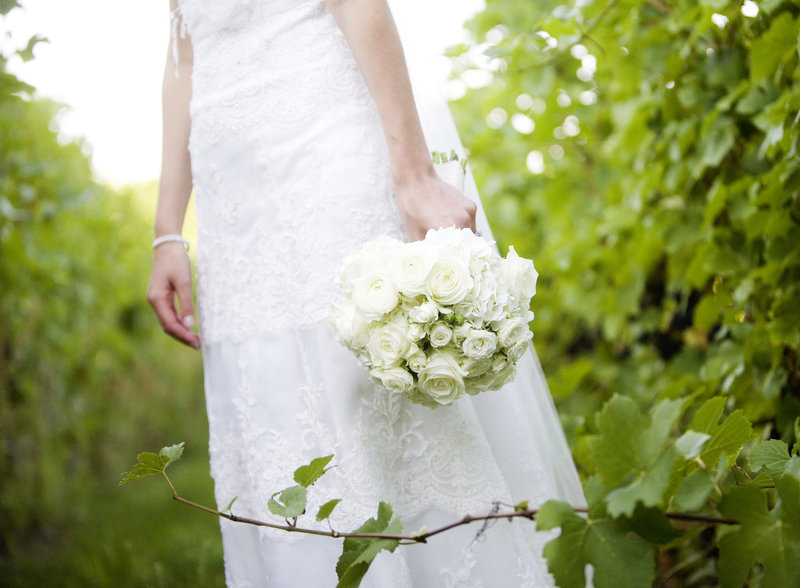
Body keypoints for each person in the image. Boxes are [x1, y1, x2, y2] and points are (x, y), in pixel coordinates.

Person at [148, 0, 585, 585]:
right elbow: (183, 45)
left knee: (374, 376)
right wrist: (167, 230)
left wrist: (414, 175)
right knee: (275, 407)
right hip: (234, 204)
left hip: (324, 144)